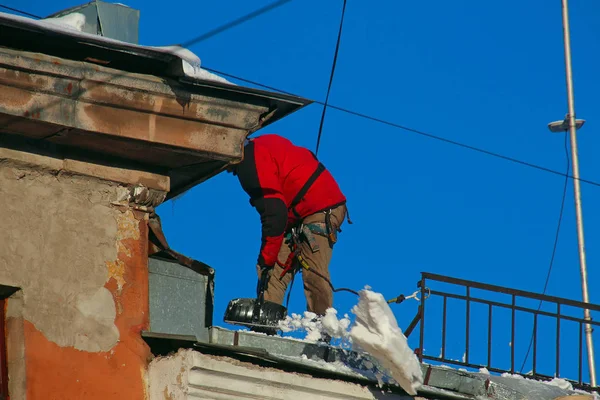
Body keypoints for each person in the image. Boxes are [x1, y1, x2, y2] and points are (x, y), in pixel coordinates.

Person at [230, 134, 348, 320]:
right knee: (273, 273)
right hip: (297, 214)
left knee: (312, 271)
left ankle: (321, 330)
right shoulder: (260, 145)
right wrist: (268, 263)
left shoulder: (250, 162)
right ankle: (265, 324)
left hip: (321, 207)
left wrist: (266, 259)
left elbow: (274, 214)